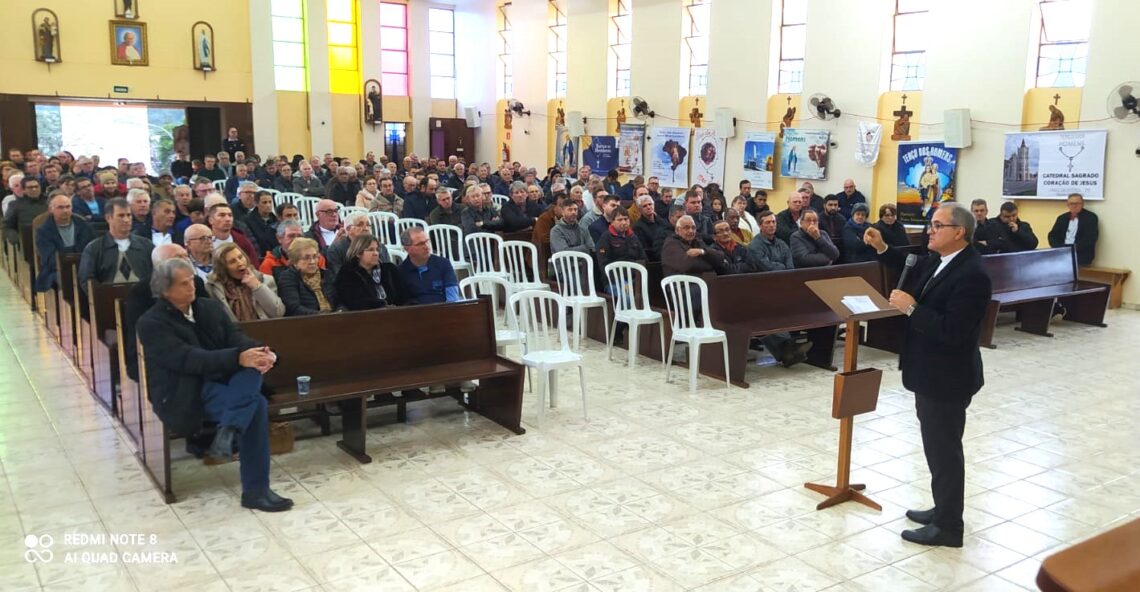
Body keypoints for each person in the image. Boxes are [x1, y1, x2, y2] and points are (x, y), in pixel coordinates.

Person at [863, 202, 992, 548]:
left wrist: (912, 309)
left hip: (947, 377)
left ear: (959, 232)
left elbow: (953, 331)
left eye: (937, 226)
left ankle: (949, 527)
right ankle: (942, 509)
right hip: (931, 373)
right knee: (937, 449)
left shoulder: (973, 275)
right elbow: (913, 266)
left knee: (945, 451)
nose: (929, 231)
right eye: (930, 225)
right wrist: (882, 249)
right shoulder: (943, 261)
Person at [136, 258, 293, 512]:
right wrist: (238, 357)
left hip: (224, 383)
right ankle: (256, 491)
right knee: (257, 405)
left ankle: (229, 430)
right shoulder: (151, 323)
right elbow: (187, 359)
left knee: (251, 374)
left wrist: (263, 353)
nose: (192, 287)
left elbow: (235, 337)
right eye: (184, 283)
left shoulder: (207, 307)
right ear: (165, 291)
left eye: (191, 280)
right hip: (186, 391)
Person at [78, 198, 154, 293]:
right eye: (121, 216)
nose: (126, 220)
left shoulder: (146, 245)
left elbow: (156, 274)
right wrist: (100, 297)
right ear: (108, 218)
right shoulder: (94, 248)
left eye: (129, 215)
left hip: (143, 298)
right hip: (108, 299)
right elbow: (87, 279)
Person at [205, 243, 285, 321]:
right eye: (232, 261)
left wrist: (257, 287)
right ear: (222, 268)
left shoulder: (265, 280)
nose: (240, 263)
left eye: (240, 257)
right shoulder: (213, 288)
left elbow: (278, 313)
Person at [34, 192, 95, 292]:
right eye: (60, 208)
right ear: (51, 210)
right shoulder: (43, 231)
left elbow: (92, 248)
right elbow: (49, 259)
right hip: (56, 270)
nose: (65, 210)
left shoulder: (84, 225)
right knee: (64, 278)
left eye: (68, 207)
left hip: (84, 266)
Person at [334, 233, 408, 310]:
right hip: (364, 318)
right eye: (371, 250)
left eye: (377, 250)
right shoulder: (348, 273)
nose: (376, 253)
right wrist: (383, 306)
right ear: (358, 253)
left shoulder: (389, 269)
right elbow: (355, 302)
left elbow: (404, 296)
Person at [397, 227, 461, 304]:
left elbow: (453, 299)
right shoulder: (401, 272)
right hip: (416, 314)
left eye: (427, 241)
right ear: (407, 248)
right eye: (420, 244)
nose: (427, 247)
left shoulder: (443, 264)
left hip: (445, 312)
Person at [276, 237, 338, 316]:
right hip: (306, 323)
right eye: (306, 258)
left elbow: (339, 300)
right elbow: (294, 308)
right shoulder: (288, 278)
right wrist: (322, 316)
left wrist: (340, 311)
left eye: (315, 256)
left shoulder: (327, 274)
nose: (312, 261)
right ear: (295, 260)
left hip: (334, 319)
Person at [326, 211, 388, 277]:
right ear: (348, 229)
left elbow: (387, 273)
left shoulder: (380, 247)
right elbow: (339, 276)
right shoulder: (336, 250)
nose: (366, 229)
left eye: (368, 225)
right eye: (360, 225)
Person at [661, 215, 726, 277]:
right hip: (682, 285)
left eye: (693, 227)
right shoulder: (671, 243)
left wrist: (702, 252)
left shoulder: (697, 241)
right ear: (677, 230)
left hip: (703, 281)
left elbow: (720, 257)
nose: (691, 231)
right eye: (686, 228)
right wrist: (711, 262)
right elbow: (688, 265)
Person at [1047, 193, 1098, 266]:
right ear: (1067, 205)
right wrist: (1060, 248)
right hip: (1062, 253)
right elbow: (1052, 236)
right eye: (1071, 203)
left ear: (1082, 204)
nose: (1074, 206)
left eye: (1077, 203)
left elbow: (1090, 239)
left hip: (1080, 255)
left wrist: (1071, 249)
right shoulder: (1062, 218)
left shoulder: (1091, 218)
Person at [3, 177, 48, 248]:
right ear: (23, 190)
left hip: (48, 240)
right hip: (26, 243)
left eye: (36, 186)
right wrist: (14, 237)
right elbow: (7, 226)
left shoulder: (49, 202)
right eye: (30, 187)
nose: (34, 189)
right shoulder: (15, 205)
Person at [633, 196, 671, 262]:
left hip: (669, 255)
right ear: (640, 209)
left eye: (650, 204)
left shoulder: (663, 222)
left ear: (654, 205)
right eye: (644, 206)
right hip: (653, 260)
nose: (648, 207)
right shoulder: (638, 227)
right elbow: (645, 249)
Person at [244, 190, 279, 256]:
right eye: (264, 202)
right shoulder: (247, 221)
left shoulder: (276, 220)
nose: (268, 205)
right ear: (256, 203)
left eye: (270, 202)